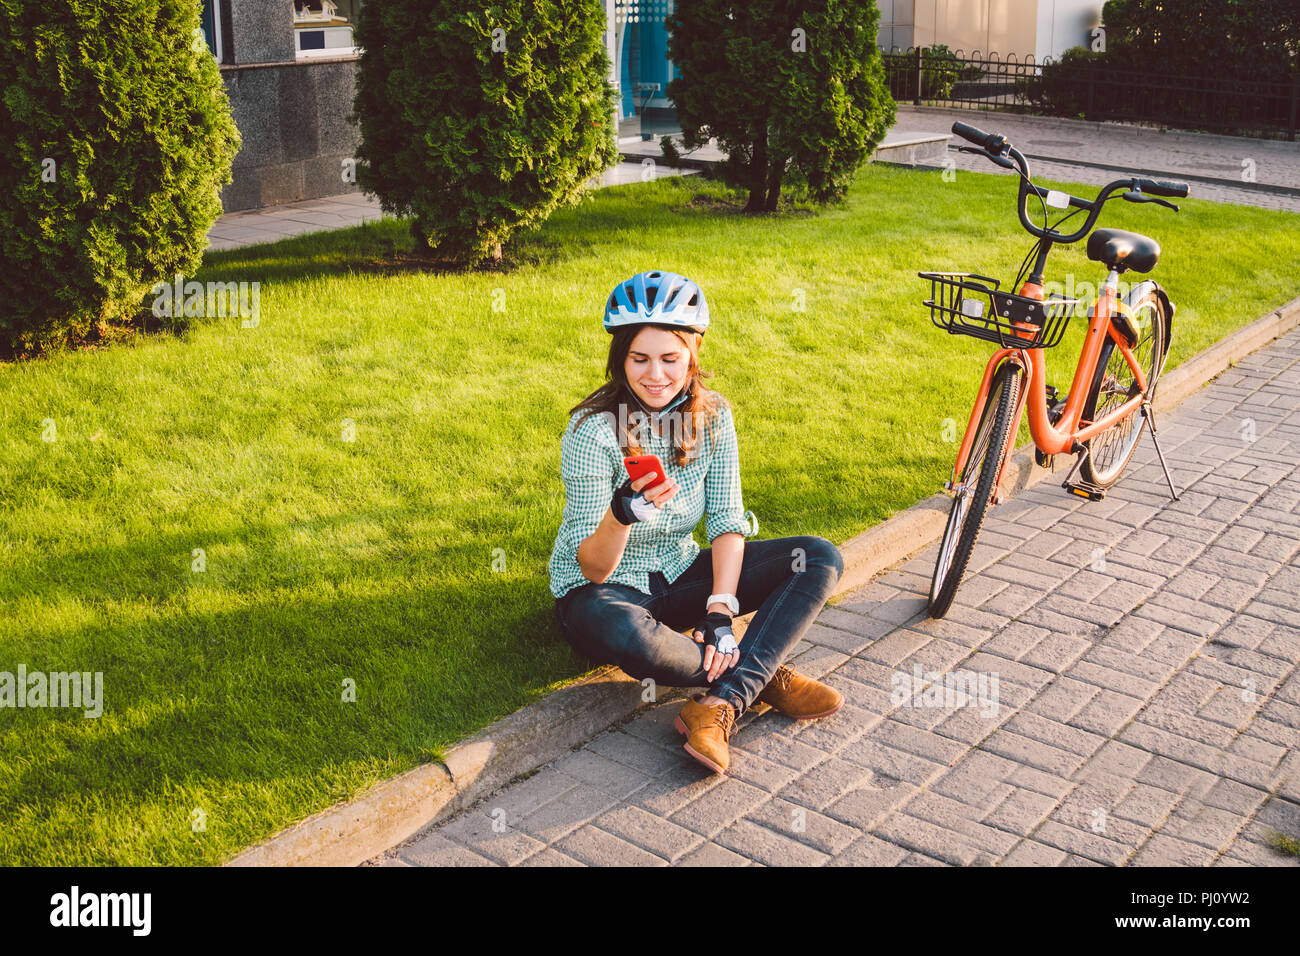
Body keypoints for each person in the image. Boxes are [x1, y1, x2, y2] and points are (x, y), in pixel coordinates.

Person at [548, 270, 845, 775]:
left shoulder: (715, 416)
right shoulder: (591, 432)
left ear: (693, 355)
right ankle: (759, 674)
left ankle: (718, 702)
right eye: (639, 358)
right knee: (630, 636)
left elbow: (728, 521)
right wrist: (622, 513)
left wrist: (719, 610)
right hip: (604, 593)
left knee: (817, 556)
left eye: (670, 358)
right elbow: (592, 569)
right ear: (620, 359)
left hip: (681, 571)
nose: (655, 374)